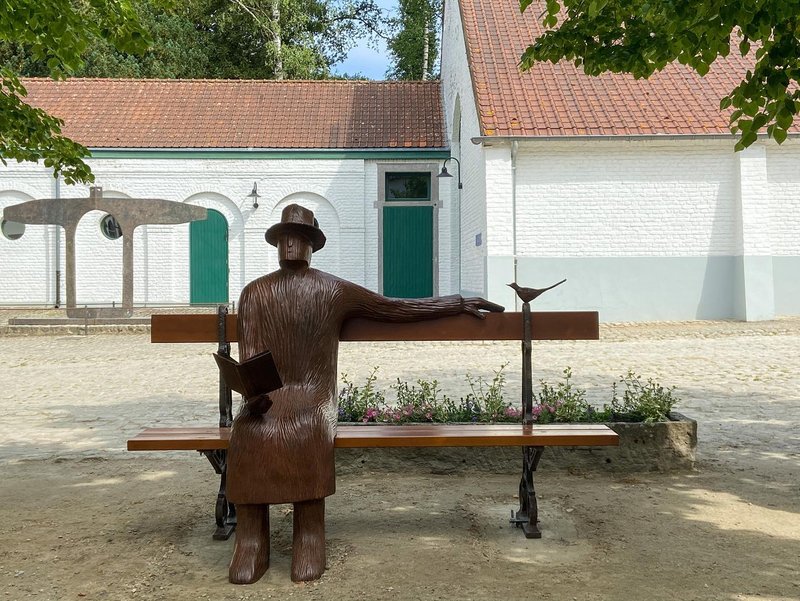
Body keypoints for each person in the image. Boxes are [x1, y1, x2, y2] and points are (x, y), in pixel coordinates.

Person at [227, 203, 504, 584]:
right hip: (269, 394)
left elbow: (395, 308)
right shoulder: (255, 293)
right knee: (249, 429)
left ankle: (309, 534)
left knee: (307, 427)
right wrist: (253, 394)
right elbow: (251, 353)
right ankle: (251, 541)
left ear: (312, 245)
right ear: (277, 243)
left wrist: (456, 302)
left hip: (313, 393)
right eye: (287, 238)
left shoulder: (333, 289)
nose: (293, 245)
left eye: (301, 238)